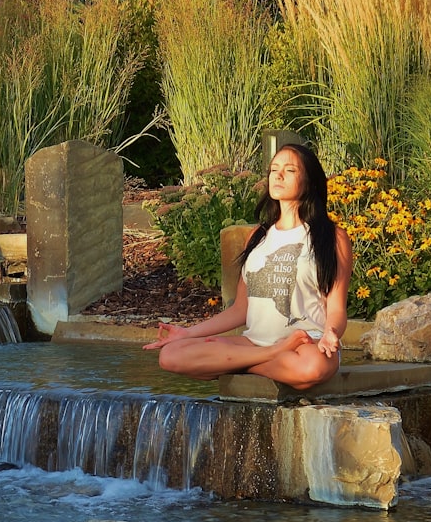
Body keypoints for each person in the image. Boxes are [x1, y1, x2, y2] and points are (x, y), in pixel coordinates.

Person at [143, 143, 353, 389]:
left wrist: (331, 333)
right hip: (256, 344)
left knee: (312, 368)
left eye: (290, 170)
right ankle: (268, 355)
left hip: (307, 343)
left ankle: (238, 363)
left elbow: (336, 308)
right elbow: (240, 309)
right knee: (171, 355)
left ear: (310, 181)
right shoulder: (257, 236)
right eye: (274, 169)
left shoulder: (332, 237)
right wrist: (188, 333)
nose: (278, 175)